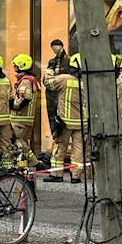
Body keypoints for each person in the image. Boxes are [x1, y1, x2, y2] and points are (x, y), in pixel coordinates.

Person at [44, 54, 85, 182]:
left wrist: (50, 69)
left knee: (60, 147)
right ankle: (76, 176)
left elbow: (48, 83)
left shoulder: (64, 79)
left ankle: (56, 175)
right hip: (82, 122)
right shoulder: (86, 82)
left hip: (65, 122)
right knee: (78, 150)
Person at [9, 53, 41, 168]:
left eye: (16, 65)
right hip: (26, 119)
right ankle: (26, 164)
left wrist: (13, 105)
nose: (14, 67)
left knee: (19, 143)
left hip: (20, 118)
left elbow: (24, 98)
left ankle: (33, 162)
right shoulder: (30, 80)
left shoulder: (25, 81)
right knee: (23, 142)